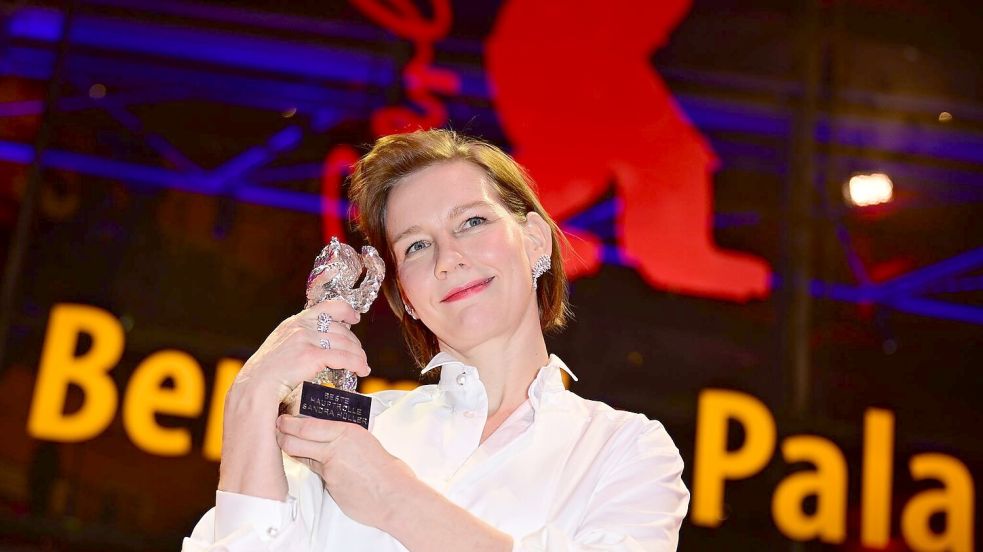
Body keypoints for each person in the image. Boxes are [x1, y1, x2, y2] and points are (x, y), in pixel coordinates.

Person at [183, 129, 689, 551]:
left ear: (534, 239)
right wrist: (250, 398)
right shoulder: (349, 431)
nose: (448, 258)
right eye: (418, 245)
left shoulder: (624, 449)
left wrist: (395, 499)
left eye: (472, 221)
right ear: (404, 293)